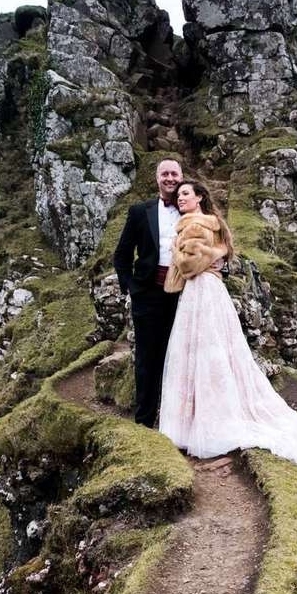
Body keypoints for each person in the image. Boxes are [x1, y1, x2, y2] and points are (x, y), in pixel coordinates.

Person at [157, 181, 297, 471]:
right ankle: (205, 423)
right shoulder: (211, 223)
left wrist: (179, 251)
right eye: (179, 195)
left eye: (186, 193)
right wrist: (214, 256)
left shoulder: (195, 224)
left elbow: (187, 266)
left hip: (201, 291)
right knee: (213, 353)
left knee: (201, 355)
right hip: (209, 290)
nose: (180, 198)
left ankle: (200, 428)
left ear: (199, 197)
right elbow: (214, 255)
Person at [110, 158, 185, 427]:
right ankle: (143, 422)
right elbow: (121, 256)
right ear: (156, 179)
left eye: (174, 173)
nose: (169, 178)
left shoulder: (192, 211)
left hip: (183, 297)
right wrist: (132, 288)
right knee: (146, 359)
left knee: (178, 357)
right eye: (164, 173)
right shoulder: (140, 211)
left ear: (182, 177)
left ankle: (175, 423)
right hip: (148, 295)